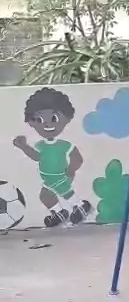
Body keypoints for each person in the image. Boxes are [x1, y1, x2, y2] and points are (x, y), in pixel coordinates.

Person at [13, 87, 92, 227]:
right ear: (32, 122)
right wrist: (23, 146)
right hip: (48, 178)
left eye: (54, 118)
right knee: (45, 196)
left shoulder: (64, 145)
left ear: (66, 119)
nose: (47, 124)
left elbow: (77, 158)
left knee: (65, 192)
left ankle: (80, 206)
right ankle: (60, 212)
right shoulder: (41, 145)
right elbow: (36, 157)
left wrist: (71, 170)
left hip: (60, 176)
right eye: (39, 120)